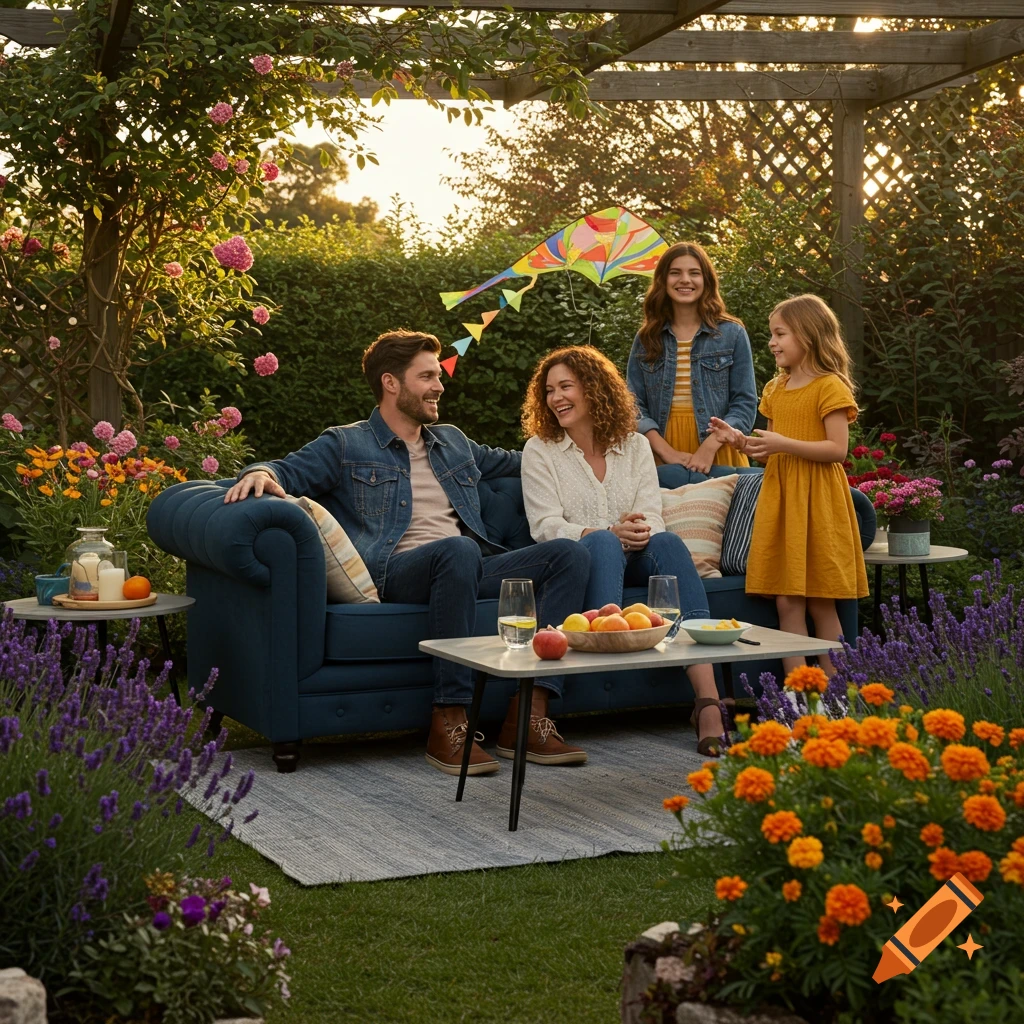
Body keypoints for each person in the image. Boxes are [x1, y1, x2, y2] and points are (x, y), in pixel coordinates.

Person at [223, 330, 591, 775]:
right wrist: (259, 472)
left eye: (438, 375)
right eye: (427, 377)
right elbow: (283, 469)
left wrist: (595, 443)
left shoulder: (453, 441)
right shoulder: (346, 444)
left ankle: (530, 715)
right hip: (396, 571)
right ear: (391, 383)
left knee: (569, 554)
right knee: (457, 550)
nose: (439, 386)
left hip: (466, 567)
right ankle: (449, 720)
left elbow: (526, 462)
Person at [520, 345, 727, 755]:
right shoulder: (540, 450)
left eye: (566, 387)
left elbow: (653, 513)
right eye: (549, 391)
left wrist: (639, 531)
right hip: (586, 558)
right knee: (601, 541)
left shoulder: (634, 445)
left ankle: (708, 701)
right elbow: (545, 526)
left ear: (594, 389)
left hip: (640, 553)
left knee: (668, 541)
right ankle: (607, 653)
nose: (556, 398)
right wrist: (608, 533)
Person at [708, 294, 868, 677]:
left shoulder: (829, 386)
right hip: (782, 504)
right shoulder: (775, 389)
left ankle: (838, 691)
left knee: (822, 602)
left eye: (780, 334)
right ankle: (800, 691)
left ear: (808, 335)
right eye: (772, 335)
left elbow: (837, 449)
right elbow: (769, 450)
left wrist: (783, 444)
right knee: (787, 602)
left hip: (818, 502)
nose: (772, 343)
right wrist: (740, 442)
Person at [627, 242, 757, 475]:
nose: (685, 280)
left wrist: (711, 445)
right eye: (675, 272)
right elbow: (632, 404)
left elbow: (744, 403)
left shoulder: (732, 334)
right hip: (660, 450)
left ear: (706, 280)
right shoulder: (646, 338)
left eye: (694, 273)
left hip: (719, 449)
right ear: (663, 280)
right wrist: (665, 451)